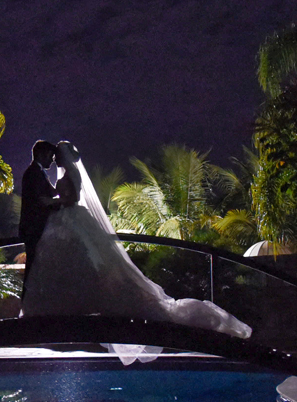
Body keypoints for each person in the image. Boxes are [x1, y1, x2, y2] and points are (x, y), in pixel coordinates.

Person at [21, 140, 251, 354]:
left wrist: (54, 201)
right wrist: (54, 201)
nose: (54, 160)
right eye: (52, 156)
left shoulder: (67, 174)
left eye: (56, 156)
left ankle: (60, 308)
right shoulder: (47, 174)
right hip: (62, 222)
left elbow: (72, 197)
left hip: (70, 219)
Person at [18, 140, 60, 288]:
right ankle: (30, 300)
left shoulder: (38, 172)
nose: (52, 160)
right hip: (34, 229)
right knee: (33, 271)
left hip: (36, 229)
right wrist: (61, 204)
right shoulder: (34, 173)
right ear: (43, 154)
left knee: (36, 270)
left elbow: (48, 195)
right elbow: (39, 202)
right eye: (51, 156)